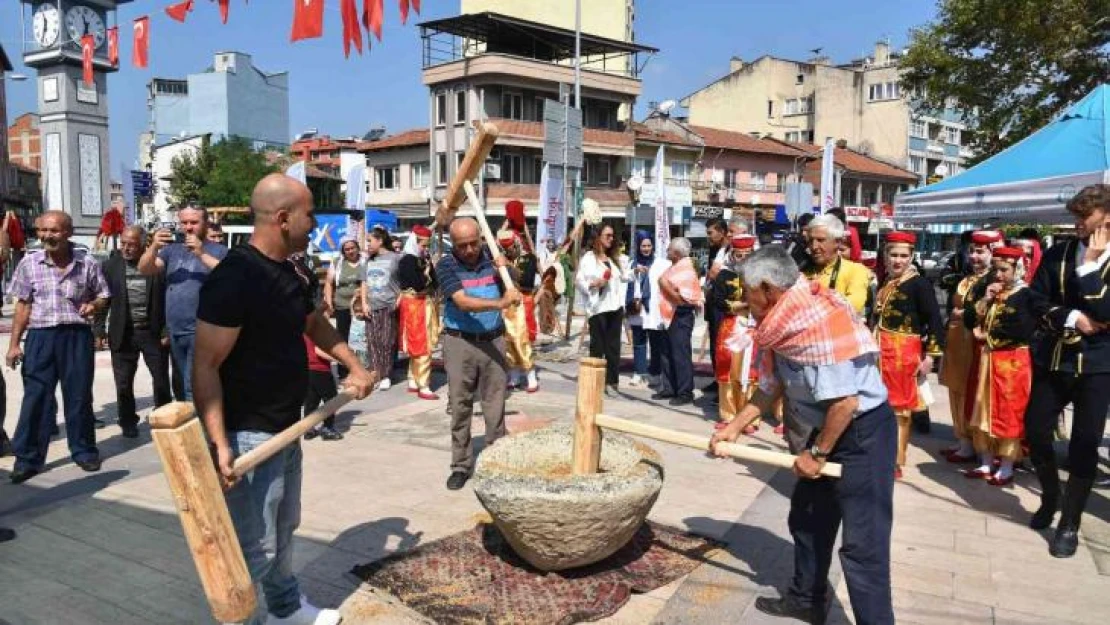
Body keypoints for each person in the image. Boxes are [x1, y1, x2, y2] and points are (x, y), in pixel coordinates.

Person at [194, 173, 375, 625]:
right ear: (282, 218)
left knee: (285, 526)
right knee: (254, 543)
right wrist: (220, 444)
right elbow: (205, 366)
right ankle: (246, 619)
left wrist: (353, 364)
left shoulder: (291, 272)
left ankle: (285, 607)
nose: (314, 222)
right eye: (309, 213)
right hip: (248, 434)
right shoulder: (235, 278)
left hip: (287, 424)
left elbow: (313, 324)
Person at [710, 245, 894, 625]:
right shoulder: (782, 324)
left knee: (863, 545)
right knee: (808, 520)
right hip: (823, 430)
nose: (744, 298)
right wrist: (732, 428)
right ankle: (805, 599)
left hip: (862, 435)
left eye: (747, 291)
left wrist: (819, 454)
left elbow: (845, 404)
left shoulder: (819, 322)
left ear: (767, 288)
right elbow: (772, 386)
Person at [1024, 184, 1110, 558]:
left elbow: (1107, 314)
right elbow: (1036, 299)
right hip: (1055, 358)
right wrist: (1074, 317)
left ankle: (1070, 523)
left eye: (1084, 217)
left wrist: (1091, 266)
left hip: (1099, 367)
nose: (1077, 224)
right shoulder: (1058, 254)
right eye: (1075, 216)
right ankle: (1050, 495)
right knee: (1036, 430)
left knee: (1085, 445)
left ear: (1106, 218)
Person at [5, 211, 111, 484]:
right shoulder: (29, 264)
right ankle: (27, 459)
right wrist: (14, 344)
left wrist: (94, 305)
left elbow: (103, 295)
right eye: (42, 231)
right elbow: (23, 305)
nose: (46, 236)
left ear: (68, 232)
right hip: (41, 337)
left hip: (76, 336)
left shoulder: (86, 263)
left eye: (52, 231)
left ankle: (84, 451)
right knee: (35, 398)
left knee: (78, 396)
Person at [437, 218, 520, 490]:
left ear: (481, 239)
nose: (470, 250)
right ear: (454, 245)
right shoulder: (446, 264)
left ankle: (497, 461)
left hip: (493, 339)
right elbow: (461, 302)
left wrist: (507, 269)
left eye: (474, 243)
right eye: (463, 246)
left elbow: (517, 284)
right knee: (461, 405)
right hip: (460, 342)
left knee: (495, 404)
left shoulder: (491, 257)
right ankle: (461, 464)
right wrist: (499, 303)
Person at [871, 232, 943, 479]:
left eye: (903, 255)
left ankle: (895, 460)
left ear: (911, 256)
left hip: (903, 352)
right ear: (885, 255)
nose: (898, 260)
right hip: (880, 350)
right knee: (877, 404)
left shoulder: (919, 283)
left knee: (899, 408)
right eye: (893, 255)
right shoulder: (886, 281)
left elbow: (934, 319)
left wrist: (931, 356)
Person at [139, 205, 228, 400]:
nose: (188, 227)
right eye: (184, 222)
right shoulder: (172, 251)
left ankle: (199, 429)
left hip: (202, 329)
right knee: (181, 385)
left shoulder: (218, 250)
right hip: (176, 329)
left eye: (194, 222)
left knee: (192, 386)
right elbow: (145, 269)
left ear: (205, 223)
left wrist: (200, 253)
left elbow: (229, 276)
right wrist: (154, 246)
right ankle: (195, 425)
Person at [964, 247, 1036, 486]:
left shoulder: (1026, 295)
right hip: (988, 359)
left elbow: (1023, 329)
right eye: (996, 269)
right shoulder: (994, 292)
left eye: (1004, 270)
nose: (998, 275)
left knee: (1008, 411)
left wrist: (987, 336)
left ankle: (1006, 465)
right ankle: (986, 460)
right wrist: (985, 299)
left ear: (1019, 269)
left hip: (1012, 361)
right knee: (982, 407)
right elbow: (970, 318)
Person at [103, 226, 172, 439]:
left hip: (152, 332)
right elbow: (103, 298)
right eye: (123, 243)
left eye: (131, 244)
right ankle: (127, 421)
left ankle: (162, 416)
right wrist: (97, 330)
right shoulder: (110, 266)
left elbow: (168, 300)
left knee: (160, 379)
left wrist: (166, 329)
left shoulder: (157, 265)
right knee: (123, 382)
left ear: (143, 244)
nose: (126, 248)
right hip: (123, 332)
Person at [939, 230, 1001, 463]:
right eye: (971, 251)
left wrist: (963, 313)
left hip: (975, 343)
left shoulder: (995, 281)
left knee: (973, 392)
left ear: (991, 253)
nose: (974, 256)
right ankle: (963, 441)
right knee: (955, 389)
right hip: (956, 341)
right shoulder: (965, 277)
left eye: (980, 252)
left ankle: (980, 445)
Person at [711, 234, 758, 430]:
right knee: (728, 369)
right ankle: (729, 414)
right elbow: (717, 300)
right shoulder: (724, 275)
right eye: (739, 255)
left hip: (755, 325)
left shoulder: (761, 276)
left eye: (747, 255)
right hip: (732, 325)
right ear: (733, 255)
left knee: (751, 371)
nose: (743, 259)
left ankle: (750, 417)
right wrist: (739, 305)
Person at [576, 224, 628, 396]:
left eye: (612, 236)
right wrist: (593, 283)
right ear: (598, 237)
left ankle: (612, 382)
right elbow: (579, 281)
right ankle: (595, 381)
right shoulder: (588, 258)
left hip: (615, 306)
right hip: (598, 308)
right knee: (598, 346)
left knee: (613, 346)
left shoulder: (614, 258)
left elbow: (624, 277)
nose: (611, 239)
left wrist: (636, 271)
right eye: (607, 235)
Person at [655, 238, 702, 406]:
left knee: (680, 354)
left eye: (669, 250)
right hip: (669, 314)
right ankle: (670, 388)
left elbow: (683, 298)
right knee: (666, 352)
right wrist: (665, 285)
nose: (667, 252)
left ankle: (685, 392)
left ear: (676, 253)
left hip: (681, 315)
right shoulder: (674, 268)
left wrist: (664, 285)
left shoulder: (687, 270)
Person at [397, 225, 440, 400]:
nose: (426, 249)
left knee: (419, 344)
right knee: (422, 345)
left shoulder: (423, 260)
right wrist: (428, 272)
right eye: (423, 245)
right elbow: (419, 283)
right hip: (416, 306)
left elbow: (434, 283)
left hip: (422, 305)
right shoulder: (407, 261)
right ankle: (423, 384)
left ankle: (413, 379)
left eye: (427, 245)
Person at [495, 229, 540, 392]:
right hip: (506, 306)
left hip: (522, 304)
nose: (509, 251)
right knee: (508, 342)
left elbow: (526, 281)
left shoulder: (529, 258)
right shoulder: (501, 259)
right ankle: (514, 375)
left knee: (522, 340)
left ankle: (530, 375)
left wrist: (507, 266)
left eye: (511, 247)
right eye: (505, 248)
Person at [804, 214, 871, 315]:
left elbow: (853, 307)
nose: (814, 247)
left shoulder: (856, 271)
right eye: (810, 241)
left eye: (821, 240)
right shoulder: (803, 271)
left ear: (838, 242)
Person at [361, 227, 400, 389]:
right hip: (371, 306)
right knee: (372, 341)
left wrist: (399, 299)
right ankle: (376, 372)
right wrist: (364, 302)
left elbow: (404, 282)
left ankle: (386, 375)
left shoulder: (395, 258)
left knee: (387, 341)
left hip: (388, 305)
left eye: (370, 240)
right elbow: (364, 282)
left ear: (380, 241)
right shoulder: (368, 261)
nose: (368, 244)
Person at [323, 237, 366, 378]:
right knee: (343, 338)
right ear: (343, 251)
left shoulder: (365, 261)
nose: (350, 251)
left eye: (352, 248)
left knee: (361, 338)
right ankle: (344, 370)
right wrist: (329, 304)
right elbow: (329, 283)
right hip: (342, 305)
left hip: (360, 307)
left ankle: (362, 367)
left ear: (357, 247)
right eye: (347, 249)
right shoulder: (338, 263)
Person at [701, 218, 729, 395]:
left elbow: (715, 273)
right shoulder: (713, 249)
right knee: (713, 342)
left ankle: (724, 384)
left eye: (711, 233)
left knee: (722, 344)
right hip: (711, 302)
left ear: (722, 232)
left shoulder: (729, 251)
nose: (709, 237)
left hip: (723, 304)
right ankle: (716, 378)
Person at [626, 230, 656, 388]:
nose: (646, 249)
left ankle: (655, 373)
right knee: (638, 341)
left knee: (655, 342)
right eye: (643, 245)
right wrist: (635, 271)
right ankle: (639, 372)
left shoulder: (657, 262)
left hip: (651, 307)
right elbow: (625, 279)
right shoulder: (632, 263)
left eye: (649, 245)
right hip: (637, 307)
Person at [302, 334, 343, 441]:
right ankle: (327, 428)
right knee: (331, 399)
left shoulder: (306, 330)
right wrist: (339, 359)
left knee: (311, 401)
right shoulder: (317, 331)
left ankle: (308, 429)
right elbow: (318, 350)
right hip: (321, 370)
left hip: (309, 369)